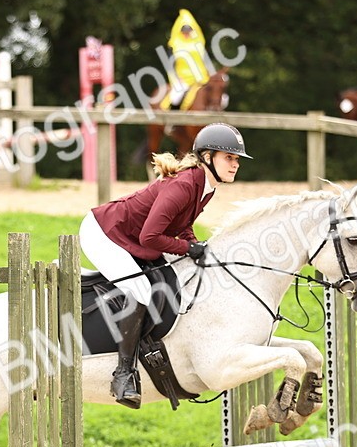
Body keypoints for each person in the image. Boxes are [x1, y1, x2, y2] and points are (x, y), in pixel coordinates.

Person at [79, 123, 249, 409]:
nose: (235, 165)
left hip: (132, 235)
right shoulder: (186, 184)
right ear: (207, 156)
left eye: (236, 159)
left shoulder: (205, 186)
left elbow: (182, 226)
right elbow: (150, 236)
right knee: (142, 291)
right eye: (228, 157)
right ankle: (123, 374)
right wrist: (187, 248)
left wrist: (197, 247)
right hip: (105, 233)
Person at [166, 9, 211, 110]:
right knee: (176, 97)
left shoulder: (198, 44)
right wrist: (176, 78)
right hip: (183, 78)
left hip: (200, 78)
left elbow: (205, 60)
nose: (186, 34)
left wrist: (209, 73)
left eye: (188, 32)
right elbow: (170, 64)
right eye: (184, 32)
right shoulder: (175, 45)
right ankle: (173, 122)